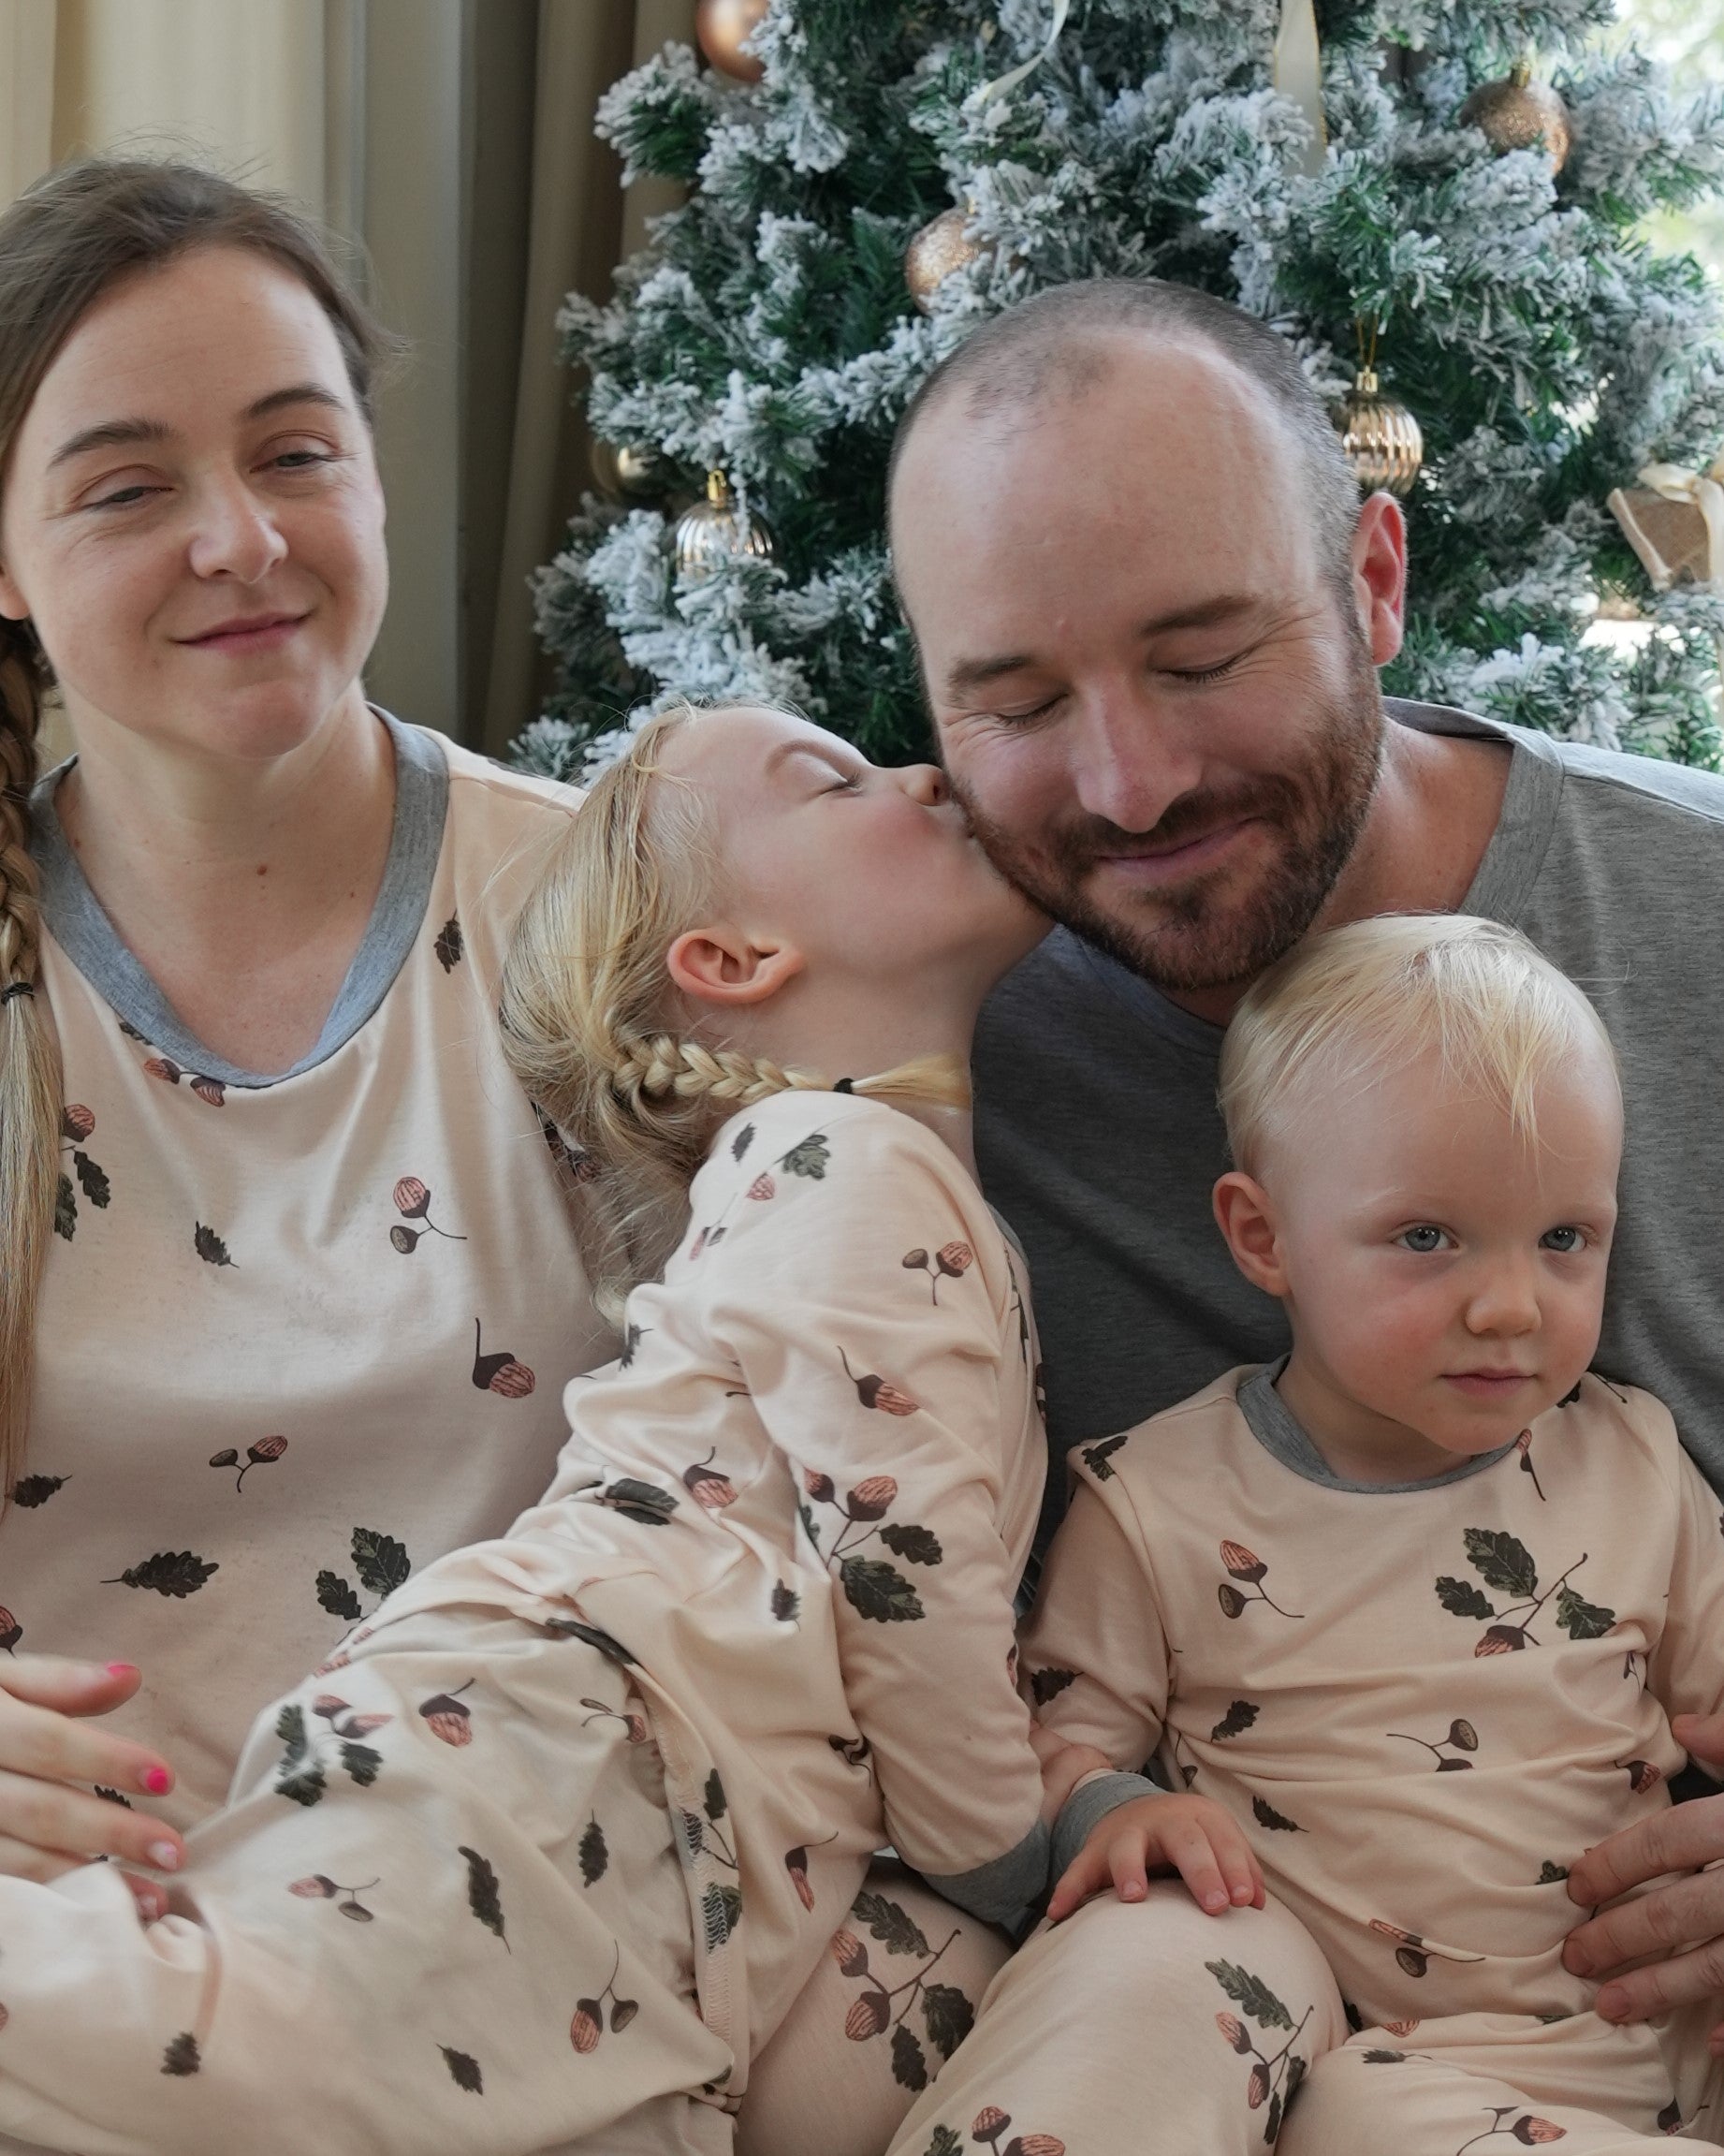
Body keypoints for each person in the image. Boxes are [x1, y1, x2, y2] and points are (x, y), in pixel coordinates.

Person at [0, 700, 1129, 2156]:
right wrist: (1005, 1846)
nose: (921, 773)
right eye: (833, 781)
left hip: (684, 1882)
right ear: (730, 959)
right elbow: (898, 1557)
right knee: (211, 2040)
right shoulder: (838, 1157)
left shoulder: (880, 1186)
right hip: (546, 1744)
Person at [884, 274, 1724, 2039]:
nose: (1125, 786)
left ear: (1374, 583)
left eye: (1199, 659)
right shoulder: (919, 1033)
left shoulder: (1692, 911)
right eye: (1017, 704)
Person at [0, 156, 610, 1902]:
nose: (242, 541)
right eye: (126, 488)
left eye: (294, 453)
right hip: (65, 1907)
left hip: (521, 1882)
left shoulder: (612, 920)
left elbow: (794, 1453)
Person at [995, 913, 1724, 2154]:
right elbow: (1045, 1746)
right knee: (1357, 2115)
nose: (1507, 1305)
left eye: (1563, 1239)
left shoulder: (1635, 1461)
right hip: (1401, 2076)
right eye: (1425, 1238)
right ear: (1261, 1237)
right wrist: (1114, 1808)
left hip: (1676, 2029)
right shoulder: (1156, 1501)